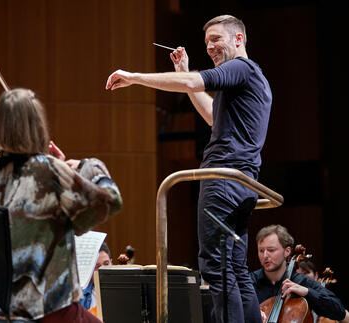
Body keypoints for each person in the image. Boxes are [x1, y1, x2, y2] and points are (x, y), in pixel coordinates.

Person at [106, 15, 270, 323]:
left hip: (222, 179)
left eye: (216, 39)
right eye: (206, 41)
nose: (209, 47)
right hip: (241, 182)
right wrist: (183, 71)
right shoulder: (252, 78)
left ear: (238, 39)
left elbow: (193, 81)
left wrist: (135, 77)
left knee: (216, 269)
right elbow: (211, 116)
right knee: (234, 269)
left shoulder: (239, 68)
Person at [0, 88, 122, 323]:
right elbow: (111, 200)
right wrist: (86, 167)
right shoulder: (47, 170)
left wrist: (59, 171)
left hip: (9, 309)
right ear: (37, 125)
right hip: (50, 309)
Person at [251, 225, 345, 322]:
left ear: (287, 251)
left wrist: (307, 292)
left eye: (271, 250)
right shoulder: (249, 282)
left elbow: (339, 311)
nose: (265, 255)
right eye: (261, 251)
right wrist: (249, 313)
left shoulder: (302, 281)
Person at [80, 242, 113, 315]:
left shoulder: (122, 289)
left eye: (106, 264)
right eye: (97, 266)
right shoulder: (81, 296)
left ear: (112, 263)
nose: (103, 269)